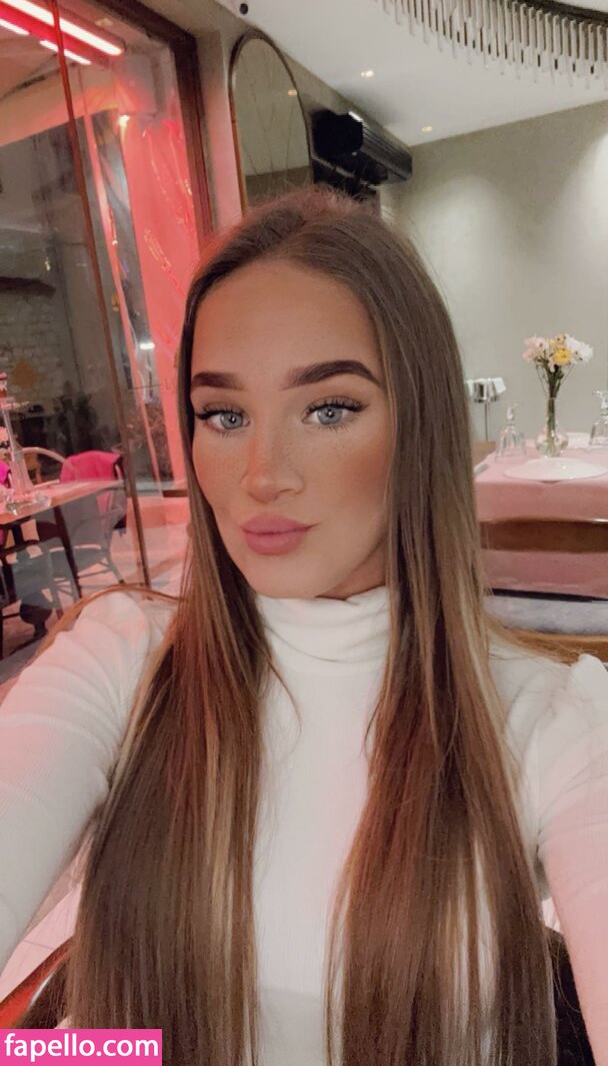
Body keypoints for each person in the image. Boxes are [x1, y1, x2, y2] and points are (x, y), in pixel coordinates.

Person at [0, 186, 607, 1066]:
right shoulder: (123, 660)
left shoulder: (555, 721)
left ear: (421, 424)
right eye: (224, 415)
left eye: (328, 409)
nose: (262, 474)